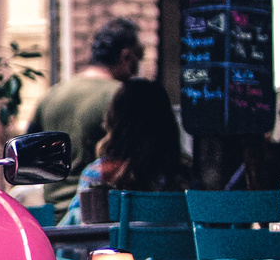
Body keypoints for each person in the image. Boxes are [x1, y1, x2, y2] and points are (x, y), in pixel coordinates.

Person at [28, 18, 142, 212]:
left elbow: (29, 156)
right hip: (100, 219)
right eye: (140, 57)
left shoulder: (52, 95)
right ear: (127, 57)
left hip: (54, 218)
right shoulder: (123, 97)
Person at [66, 79, 188, 214]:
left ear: (114, 120)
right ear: (167, 123)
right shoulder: (184, 175)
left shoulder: (98, 174)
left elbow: (75, 223)